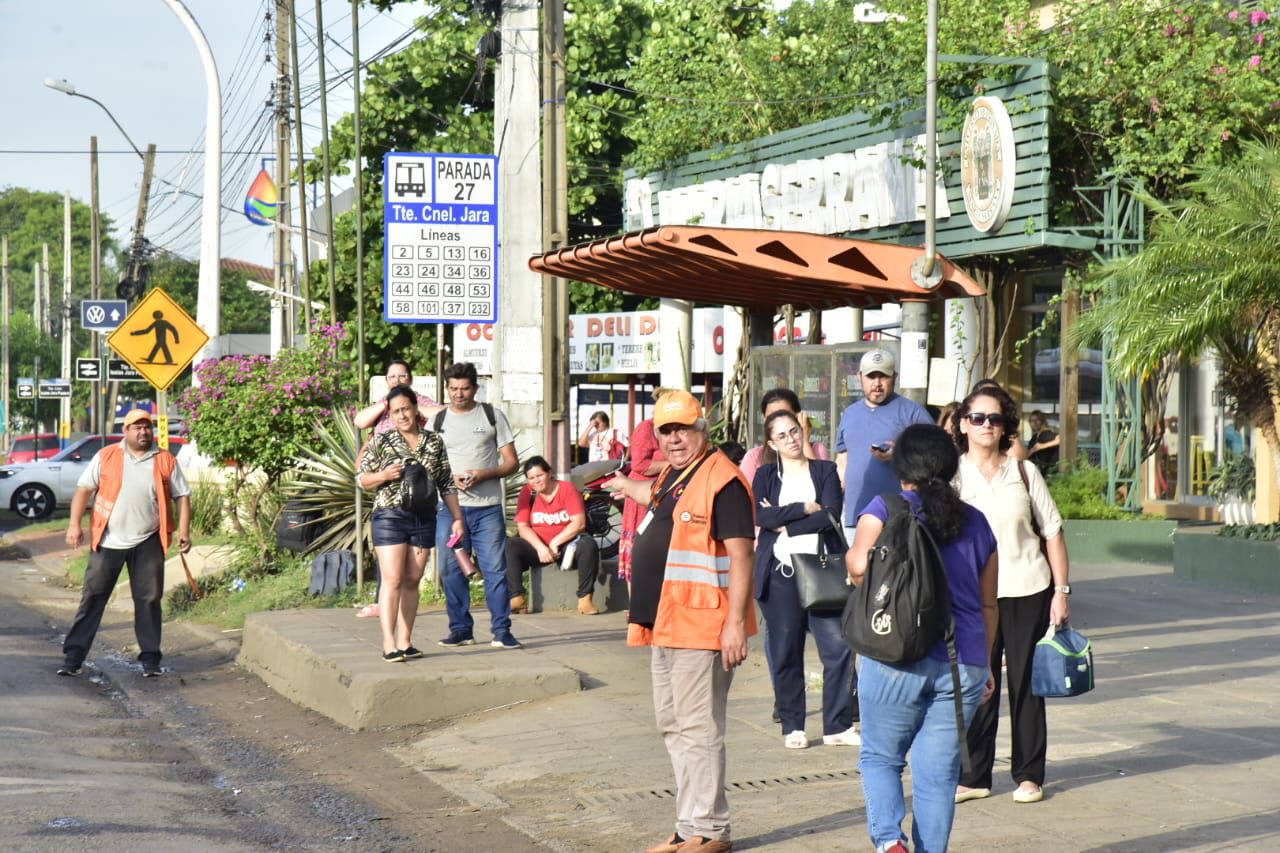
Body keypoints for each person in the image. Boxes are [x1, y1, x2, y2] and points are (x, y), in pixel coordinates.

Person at [605, 390, 755, 853]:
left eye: (682, 429)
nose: (673, 438)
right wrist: (620, 484)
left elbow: (743, 554)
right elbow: (653, 504)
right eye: (665, 431)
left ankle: (711, 830)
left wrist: (734, 624)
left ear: (701, 430)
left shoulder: (721, 480)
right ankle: (689, 824)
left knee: (698, 728)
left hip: (702, 625)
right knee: (673, 726)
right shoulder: (675, 476)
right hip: (666, 623)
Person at [846, 424, 999, 853]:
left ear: (901, 469)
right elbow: (989, 604)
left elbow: (858, 566)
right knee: (937, 776)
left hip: (897, 652)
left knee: (881, 757)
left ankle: (890, 840)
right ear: (951, 468)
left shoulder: (885, 507)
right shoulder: (977, 522)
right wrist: (985, 663)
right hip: (964, 661)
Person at [951, 384, 1072, 806]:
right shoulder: (953, 475)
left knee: (1025, 684)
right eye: (979, 418)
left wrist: (1061, 592)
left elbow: (1053, 532)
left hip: (1027, 589)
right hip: (971, 597)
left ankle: (1028, 775)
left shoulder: (1023, 471)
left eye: (996, 418)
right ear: (964, 424)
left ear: (1007, 427)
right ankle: (974, 775)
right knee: (977, 684)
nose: (987, 425)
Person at [58, 409, 193, 678]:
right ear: (126, 431)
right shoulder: (107, 456)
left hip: (148, 540)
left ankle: (151, 660)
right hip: (108, 541)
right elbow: (84, 489)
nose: (143, 432)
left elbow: (183, 495)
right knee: (93, 597)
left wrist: (184, 531)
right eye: (137, 427)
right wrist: (74, 525)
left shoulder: (164, 459)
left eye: (147, 427)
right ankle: (73, 658)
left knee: (149, 600)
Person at [751, 409, 857, 750]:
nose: (791, 440)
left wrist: (787, 523)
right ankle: (793, 724)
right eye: (781, 436)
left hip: (822, 570)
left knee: (838, 648)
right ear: (772, 443)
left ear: (803, 431)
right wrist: (802, 508)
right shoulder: (766, 475)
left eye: (794, 431)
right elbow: (761, 515)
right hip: (781, 573)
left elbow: (830, 514)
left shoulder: (824, 470)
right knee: (785, 651)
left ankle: (837, 725)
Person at [358, 386, 463, 662]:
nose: (402, 415)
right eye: (396, 411)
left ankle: (405, 641)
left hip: (423, 516)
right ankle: (389, 643)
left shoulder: (434, 441)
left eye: (406, 408)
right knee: (392, 578)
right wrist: (382, 475)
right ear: (390, 415)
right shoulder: (381, 441)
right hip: (390, 515)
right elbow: (361, 478)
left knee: (412, 579)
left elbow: (447, 482)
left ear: (416, 408)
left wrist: (457, 518)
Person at [433, 362, 523, 650]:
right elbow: (428, 465)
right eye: (453, 388)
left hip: (487, 508)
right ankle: (460, 629)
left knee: (495, 569)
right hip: (449, 509)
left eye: (465, 388)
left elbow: (511, 462)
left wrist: (483, 474)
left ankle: (502, 630)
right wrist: (449, 479)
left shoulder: (491, 416)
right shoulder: (436, 421)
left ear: (475, 388)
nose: (459, 394)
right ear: (447, 388)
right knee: (450, 569)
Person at [352, 359, 443, 619]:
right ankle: (385, 608)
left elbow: (442, 415)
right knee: (390, 558)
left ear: (411, 379)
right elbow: (360, 421)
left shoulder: (418, 404)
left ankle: (403, 627)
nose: (397, 380)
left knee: (411, 573)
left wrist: (411, 405)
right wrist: (386, 403)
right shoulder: (383, 406)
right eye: (392, 376)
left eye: (402, 375)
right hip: (387, 490)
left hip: (417, 488)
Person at [835, 348, 933, 541]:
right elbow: (842, 462)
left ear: (895, 377)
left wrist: (902, 453)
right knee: (857, 570)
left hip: (898, 518)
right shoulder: (850, 414)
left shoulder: (912, 413)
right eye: (871, 376)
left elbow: (937, 456)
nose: (877, 383)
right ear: (860, 377)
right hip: (855, 518)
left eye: (883, 376)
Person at [506, 456, 601, 616]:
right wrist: (541, 547)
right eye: (531, 478)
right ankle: (517, 598)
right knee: (510, 545)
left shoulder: (567, 489)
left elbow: (579, 523)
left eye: (539, 475)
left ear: (549, 473)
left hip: (566, 545)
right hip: (539, 547)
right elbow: (523, 527)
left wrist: (556, 542)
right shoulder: (527, 493)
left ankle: (585, 599)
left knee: (588, 545)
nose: (536, 481)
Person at [617, 387, 675, 584]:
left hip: (665, 493)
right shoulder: (646, 428)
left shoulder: (676, 431)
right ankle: (636, 609)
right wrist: (673, 463)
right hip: (641, 495)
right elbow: (640, 464)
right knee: (640, 550)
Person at [739, 387, 829, 485]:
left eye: (784, 415)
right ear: (764, 419)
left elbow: (820, 486)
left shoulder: (817, 450)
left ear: (798, 417)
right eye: (771, 417)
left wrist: (805, 442)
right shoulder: (754, 457)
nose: (779, 422)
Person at [1026, 410, 1061, 475]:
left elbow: (1061, 439)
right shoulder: (1034, 437)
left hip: (1049, 471)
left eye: (1036, 420)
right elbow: (1027, 454)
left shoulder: (1048, 434)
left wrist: (1042, 446)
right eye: (1031, 421)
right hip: (1037, 471)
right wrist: (1032, 450)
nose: (1034, 423)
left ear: (1042, 421)